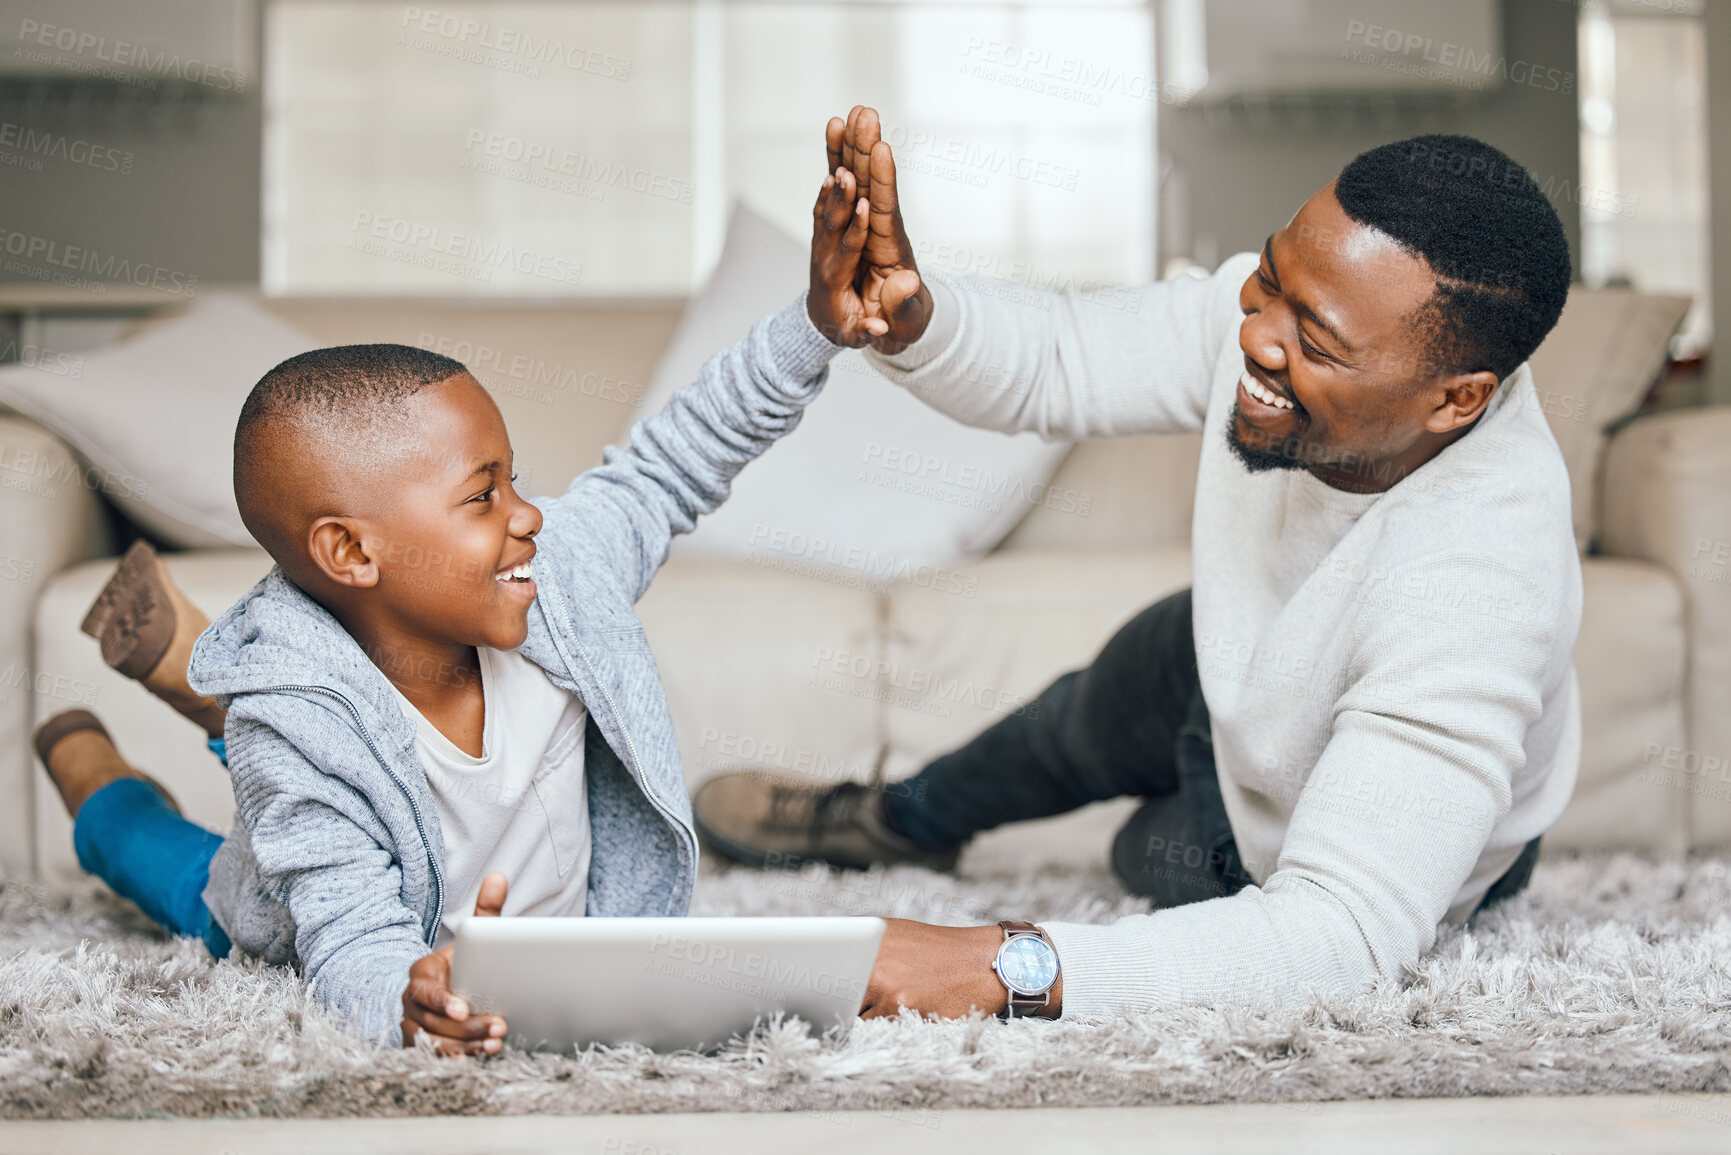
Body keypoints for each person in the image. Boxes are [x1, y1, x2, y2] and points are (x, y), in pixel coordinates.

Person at [695, 108, 1581, 1022]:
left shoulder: (1481, 582)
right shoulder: (1292, 308)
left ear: (1457, 400)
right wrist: (911, 315)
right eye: (1267, 280)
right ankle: (895, 819)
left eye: (1314, 343)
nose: (1256, 337)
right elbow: (1061, 357)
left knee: (1145, 859)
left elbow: (1339, 937)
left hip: (1315, 827)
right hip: (1253, 677)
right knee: (1083, 711)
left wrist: (991, 964)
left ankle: (1170, 825)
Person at [36, 167, 890, 1052]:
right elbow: (353, 940)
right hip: (287, 846)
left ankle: (201, 685)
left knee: (297, 750)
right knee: (176, 869)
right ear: (352, 551)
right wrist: (405, 1007)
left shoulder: (554, 568)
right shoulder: (295, 729)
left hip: (326, 727)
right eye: (483, 495)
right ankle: (94, 770)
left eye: (513, 478)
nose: (528, 514)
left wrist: (814, 327)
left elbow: (673, 459)